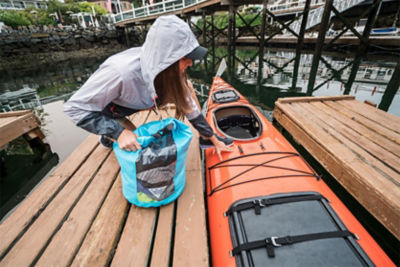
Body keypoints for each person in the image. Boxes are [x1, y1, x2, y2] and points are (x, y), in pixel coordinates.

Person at [64, 15, 233, 159]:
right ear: (167, 58)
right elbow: (75, 108)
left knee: (186, 86)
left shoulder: (170, 72)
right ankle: (107, 138)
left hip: (140, 102)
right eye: (185, 57)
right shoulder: (120, 71)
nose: (190, 63)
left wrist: (212, 138)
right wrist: (118, 133)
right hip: (110, 111)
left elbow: (190, 107)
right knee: (140, 146)